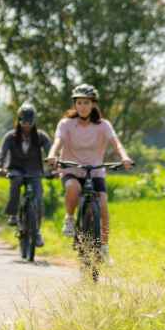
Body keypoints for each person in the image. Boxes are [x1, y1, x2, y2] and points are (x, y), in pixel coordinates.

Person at [46, 84, 132, 262]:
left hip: (95, 171)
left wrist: (124, 157)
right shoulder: (66, 124)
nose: (82, 106)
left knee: (103, 206)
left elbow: (116, 143)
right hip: (71, 168)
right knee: (72, 187)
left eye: (86, 102)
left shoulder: (103, 125)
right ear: (74, 105)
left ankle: (104, 247)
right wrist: (52, 155)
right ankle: (69, 218)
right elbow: (58, 141)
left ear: (93, 104)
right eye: (79, 103)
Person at [0, 103, 52, 247]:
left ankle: (37, 232)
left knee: (38, 199)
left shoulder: (41, 136)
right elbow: (2, 152)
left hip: (34, 171)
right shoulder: (10, 136)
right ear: (19, 121)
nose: (26, 126)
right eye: (23, 122)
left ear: (34, 122)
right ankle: (13, 214)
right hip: (16, 169)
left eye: (29, 123)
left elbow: (51, 153)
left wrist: (54, 167)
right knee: (16, 181)